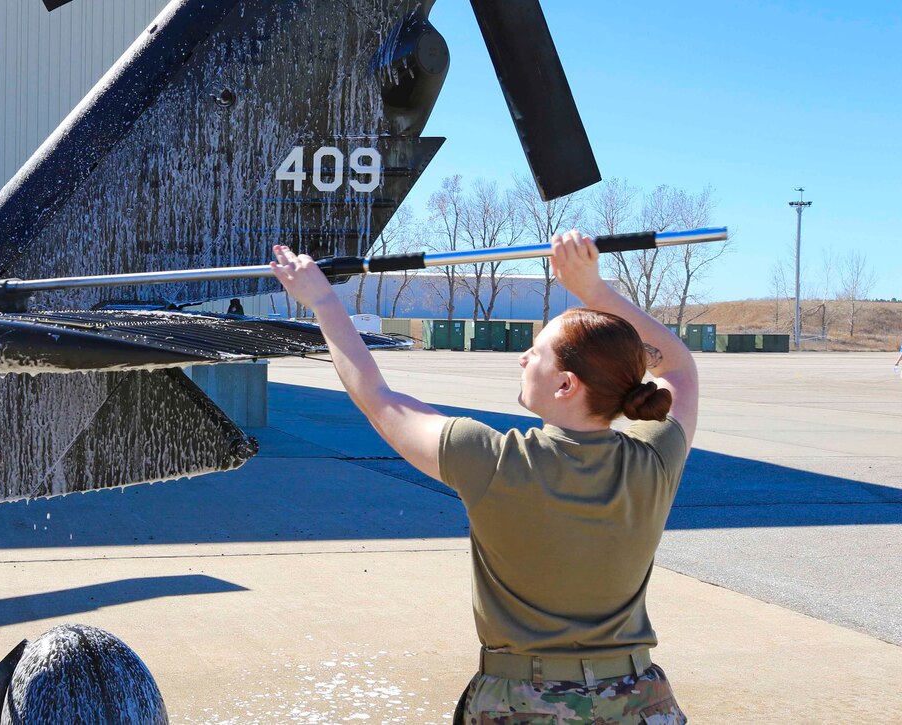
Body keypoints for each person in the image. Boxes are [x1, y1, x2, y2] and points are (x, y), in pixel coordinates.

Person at [270, 230, 696, 725]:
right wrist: (592, 289)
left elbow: (378, 397)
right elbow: (680, 369)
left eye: (536, 352)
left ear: (565, 384)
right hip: (640, 702)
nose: (524, 359)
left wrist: (322, 299)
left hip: (525, 703)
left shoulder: (493, 459)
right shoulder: (656, 456)